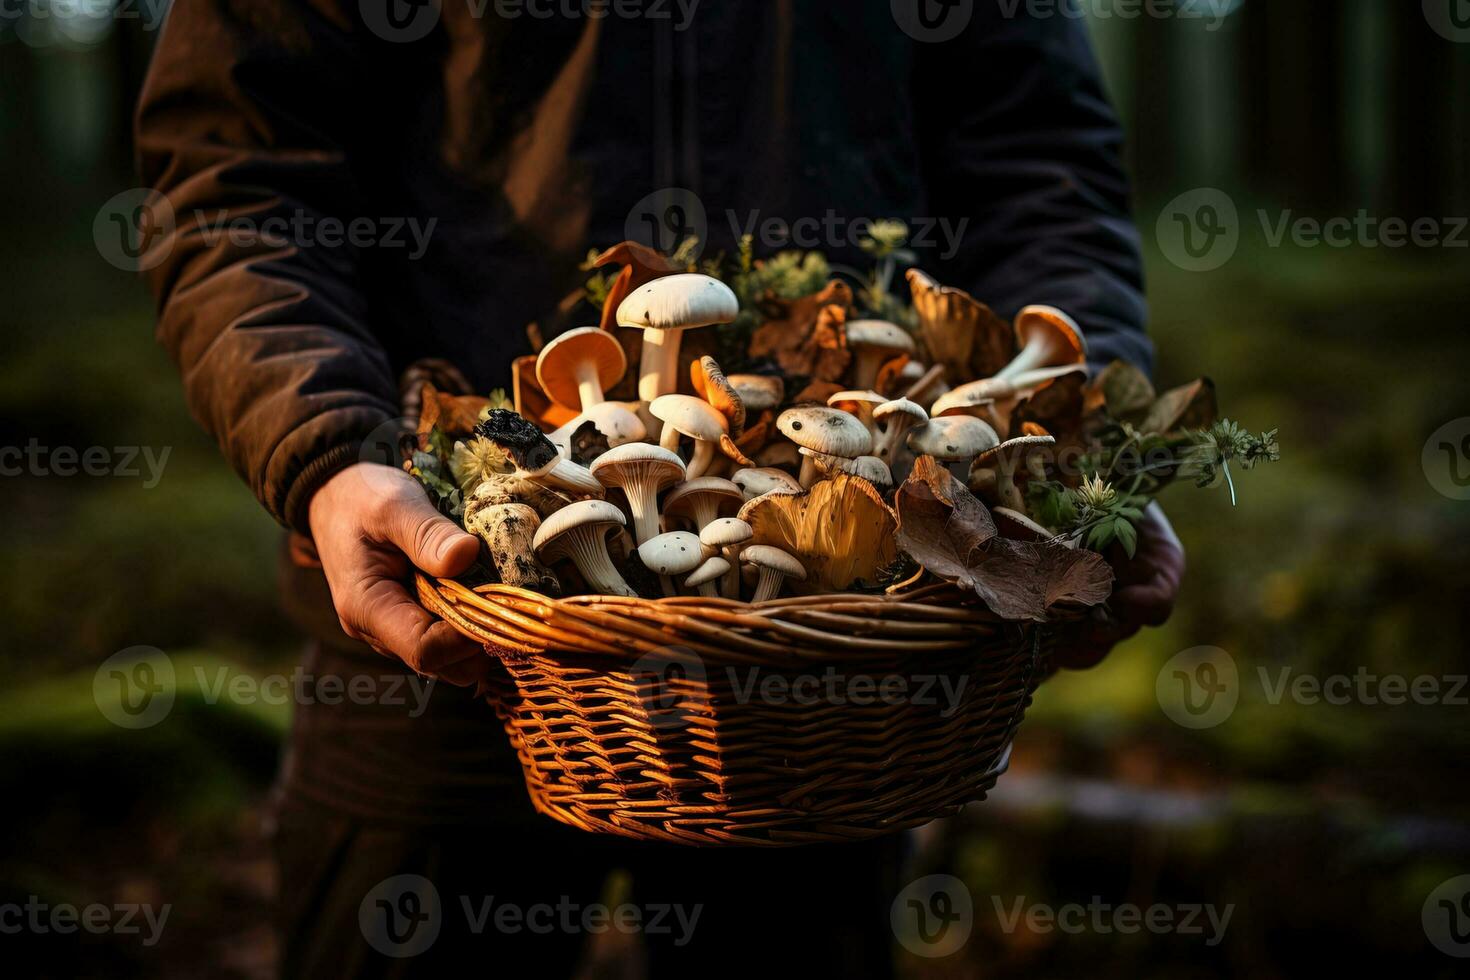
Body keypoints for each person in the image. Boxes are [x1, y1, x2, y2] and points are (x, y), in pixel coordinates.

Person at [136, 1, 1183, 975]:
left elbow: (1039, 164)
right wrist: (324, 446)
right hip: (441, 607)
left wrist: (1081, 448)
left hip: (834, 676)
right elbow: (234, 169)